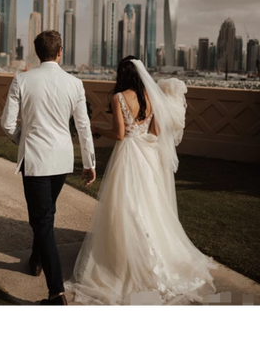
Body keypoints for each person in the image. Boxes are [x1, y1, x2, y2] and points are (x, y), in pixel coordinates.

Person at [65, 56, 217, 308]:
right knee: (150, 204)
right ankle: (155, 255)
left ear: (121, 75)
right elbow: (156, 131)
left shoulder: (118, 98)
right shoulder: (150, 96)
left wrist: (99, 131)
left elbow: (120, 134)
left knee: (126, 205)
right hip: (147, 154)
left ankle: (127, 259)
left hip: (128, 155)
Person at [1, 30, 96, 309]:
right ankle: (36, 259)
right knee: (45, 216)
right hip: (62, 162)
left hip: (37, 160)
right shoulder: (75, 83)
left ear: (37, 52)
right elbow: (83, 128)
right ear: (60, 51)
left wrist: (24, 141)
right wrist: (89, 163)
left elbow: (7, 124)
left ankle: (56, 295)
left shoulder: (23, 78)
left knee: (42, 220)